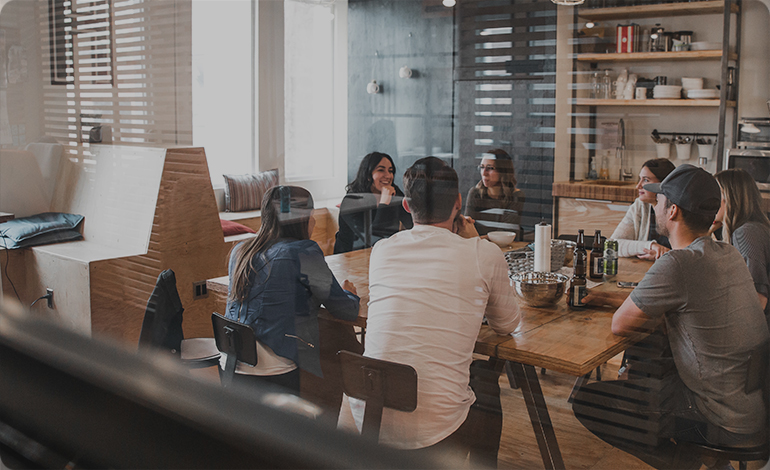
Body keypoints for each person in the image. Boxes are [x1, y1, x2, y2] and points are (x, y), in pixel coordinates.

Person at [573, 164, 770, 470]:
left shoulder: (678, 263)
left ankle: (685, 463)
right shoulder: (725, 253)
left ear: (673, 211)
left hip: (714, 417)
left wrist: (615, 305)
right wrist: (606, 297)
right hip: (748, 408)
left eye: (661, 200)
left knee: (589, 402)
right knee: (652, 368)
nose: (656, 206)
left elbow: (621, 324)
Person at [340, 157, 520, 467]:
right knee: (487, 383)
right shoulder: (483, 253)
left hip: (368, 415)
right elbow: (508, 324)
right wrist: (474, 242)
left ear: (406, 206)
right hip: (437, 429)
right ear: (459, 203)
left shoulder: (382, 251)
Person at [225, 186, 360, 394]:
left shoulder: (240, 251)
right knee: (337, 343)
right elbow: (345, 310)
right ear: (303, 218)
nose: (314, 221)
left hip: (232, 365)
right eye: (312, 215)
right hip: (274, 371)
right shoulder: (303, 252)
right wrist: (351, 293)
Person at [714, 168, 770, 321]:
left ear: (729, 197)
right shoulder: (753, 227)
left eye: (715, 194)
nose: (709, 200)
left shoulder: (746, 233)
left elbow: (758, 299)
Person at [334, 152, 413, 253]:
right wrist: (384, 203)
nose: (388, 176)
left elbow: (412, 223)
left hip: (384, 254)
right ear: (368, 175)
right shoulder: (352, 201)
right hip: (351, 258)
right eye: (381, 170)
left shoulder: (394, 192)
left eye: (391, 171)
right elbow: (374, 240)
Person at [610, 158, 676, 259]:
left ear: (663, 184)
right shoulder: (640, 206)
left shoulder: (678, 210)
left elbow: (688, 254)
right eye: (639, 179)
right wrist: (650, 246)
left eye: (645, 180)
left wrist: (662, 255)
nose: (638, 186)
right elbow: (612, 245)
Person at [464, 148, 525, 236]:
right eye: (482, 167)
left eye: (490, 168)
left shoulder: (516, 196)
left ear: (503, 172)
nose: (484, 173)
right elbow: (467, 228)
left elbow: (506, 234)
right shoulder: (475, 193)